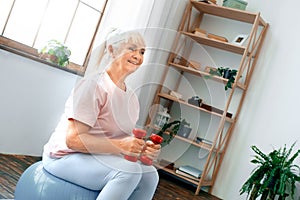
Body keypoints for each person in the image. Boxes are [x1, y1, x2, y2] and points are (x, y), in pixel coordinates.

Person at [42, 29, 161, 200]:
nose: (138, 56)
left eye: (142, 52)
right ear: (112, 50)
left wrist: (141, 149)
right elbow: (73, 140)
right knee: (130, 172)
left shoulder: (132, 98)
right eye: (132, 49)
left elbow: (119, 141)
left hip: (97, 158)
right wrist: (122, 145)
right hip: (64, 157)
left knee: (150, 174)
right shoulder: (94, 85)